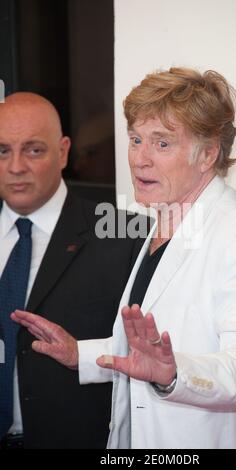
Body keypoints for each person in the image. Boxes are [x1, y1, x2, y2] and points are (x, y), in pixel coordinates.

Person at [12, 68, 236, 449]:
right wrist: (82, 353)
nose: (140, 159)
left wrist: (176, 374)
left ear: (208, 153)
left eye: (162, 144)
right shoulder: (167, 221)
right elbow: (145, 356)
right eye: (136, 139)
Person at [0, 92, 147, 449]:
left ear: (63, 151)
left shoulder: (125, 234)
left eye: (33, 150)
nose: (16, 166)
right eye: (2, 150)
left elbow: (149, 360)